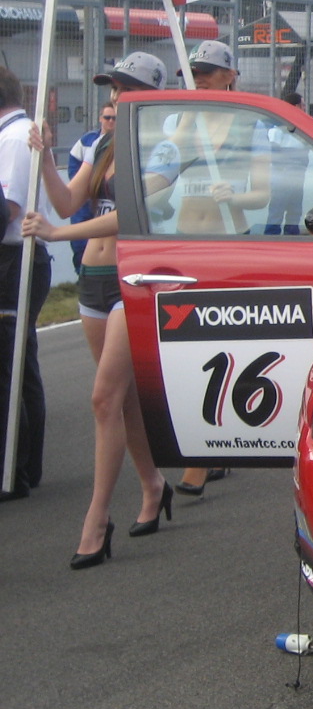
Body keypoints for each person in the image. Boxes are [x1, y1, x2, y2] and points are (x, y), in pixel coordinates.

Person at [22, 52, 177, 566]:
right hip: (92, 280)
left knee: (102, 398)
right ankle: (152, 485)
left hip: (132, 279)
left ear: (151, 94)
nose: (115, 97)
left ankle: (96, 518)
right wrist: (46, 157)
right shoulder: (103, 143)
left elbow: (132, 211)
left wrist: (57, 234)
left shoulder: (165, 148)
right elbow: (68, 203)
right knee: (121, 400)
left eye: (125, 87)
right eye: (112, 88)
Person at [172, 39, 249, 498]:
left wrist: (236, 193)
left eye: (206, 71)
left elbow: (262, 190)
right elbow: (167, 164)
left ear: (229, 75)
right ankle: (208, 447)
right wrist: (188, 119)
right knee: (188, 349)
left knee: (219, 349)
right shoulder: (185, 119)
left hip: (227, 242)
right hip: (186, 239)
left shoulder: (245, 120)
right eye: (193, 71)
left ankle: (204, 455)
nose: (197, 77)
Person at [0, 66, 51, 502]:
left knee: (12, 364)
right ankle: (23, 465)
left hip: (16, 258)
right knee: (18, 361)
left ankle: (15, 468)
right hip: (15, 258)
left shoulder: (14, 138)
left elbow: (10, 208)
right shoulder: (13, 134)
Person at [66, 102, 116, 275]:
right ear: (100, 118)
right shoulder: (89, 141)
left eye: (114, 118)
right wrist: (86, 187)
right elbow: (73, 164)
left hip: (107, 201)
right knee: (80, 238)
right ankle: (80, 271)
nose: (111, 121)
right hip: (86, 199)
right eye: (107, 118)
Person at [264, 91, 311, 235]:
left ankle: (292, 237)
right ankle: (271, 239)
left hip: (298, 174)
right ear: (296, 106)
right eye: (303, 105)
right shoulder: (278, 127)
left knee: (295, 210)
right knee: (277, 210)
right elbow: (274, 153)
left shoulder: (301, 127)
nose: (304, 108)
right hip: (282, 176)